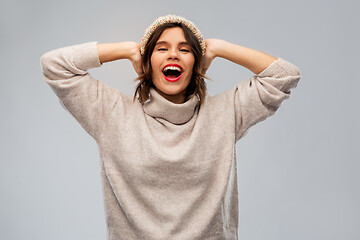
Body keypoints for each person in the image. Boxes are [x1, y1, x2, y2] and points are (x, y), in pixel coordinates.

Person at [40, 14, 301, 240]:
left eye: (185, 49)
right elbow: (54, 65)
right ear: (147, 62)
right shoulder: (111, 113)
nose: (173, 54)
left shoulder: (226, 113)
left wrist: (219, 47)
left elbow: (283, 75)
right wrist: (127, 50)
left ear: (196, 64)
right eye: (161, 48)